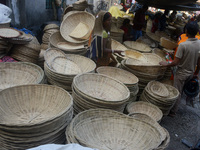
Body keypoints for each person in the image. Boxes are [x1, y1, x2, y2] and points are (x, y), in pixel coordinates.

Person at [159, 22, 200, 117]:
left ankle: (172, 111)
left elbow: (175, 62)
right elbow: (199, 61)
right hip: (191, 72)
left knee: (177, 92)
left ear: (186, 31)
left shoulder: (183, 45)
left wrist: (166, 63)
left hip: (181, 72)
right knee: (180, 92)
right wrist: (196, 73)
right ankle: (174, 109)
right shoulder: (199, 43)